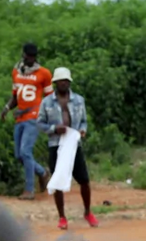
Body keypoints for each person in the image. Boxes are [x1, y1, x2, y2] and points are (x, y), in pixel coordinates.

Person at [36, 67, 97, 231]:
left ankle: (87, 211)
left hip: (73, 144)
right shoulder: (47, 102)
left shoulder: (78, 100)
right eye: (60, 81)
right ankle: (62, 216)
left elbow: (83, 120)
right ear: (55, 83)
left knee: (84, 180)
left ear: (69, 82)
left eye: (66, 81)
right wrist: (55, 128)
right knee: (57, 182)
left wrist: (82, 130)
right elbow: (40, 123)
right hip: (56, 144)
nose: (63, 83)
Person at [1, 43, 53, 200]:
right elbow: (16, 95)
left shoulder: (44, 73)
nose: (28, 59)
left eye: (31, 57)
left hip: (34, 116)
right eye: (26, 56)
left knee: (25, 152)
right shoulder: (17, 72)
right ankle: (42, 173)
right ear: (23, 55)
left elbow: (49, 97)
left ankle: (29, 190)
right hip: (20, 116)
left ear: (35, 57)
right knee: (19, 155)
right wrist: (6, 108)